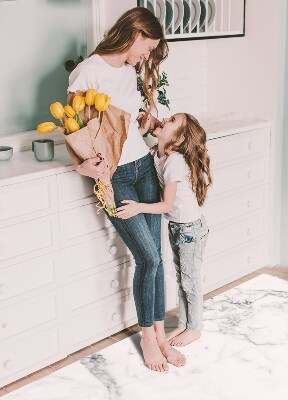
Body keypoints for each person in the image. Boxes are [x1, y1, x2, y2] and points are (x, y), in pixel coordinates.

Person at [65, 7, 186, 372]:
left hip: (145, 167)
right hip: (115, 177)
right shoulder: (88, 72)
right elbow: (73, 128)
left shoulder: (129, 71)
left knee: (158, 257)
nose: (146, 56)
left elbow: (123, 125)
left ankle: (162, 335)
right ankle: (148, 338)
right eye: (146, 48)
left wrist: (145, 123)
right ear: (133, 34)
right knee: (147, 258)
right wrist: (81, 166)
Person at [117, 113, 212, 346]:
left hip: (190, 230)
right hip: (178, 228)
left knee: (190, 280)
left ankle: (195, 328)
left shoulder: (175, 162)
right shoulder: (157, 154)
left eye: (171, 122)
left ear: (178, 139)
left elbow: (166, 205)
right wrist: (142, 129)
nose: (164, 120)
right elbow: (133, 149)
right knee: (181, 278)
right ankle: (183, 324)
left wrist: (138, 208)